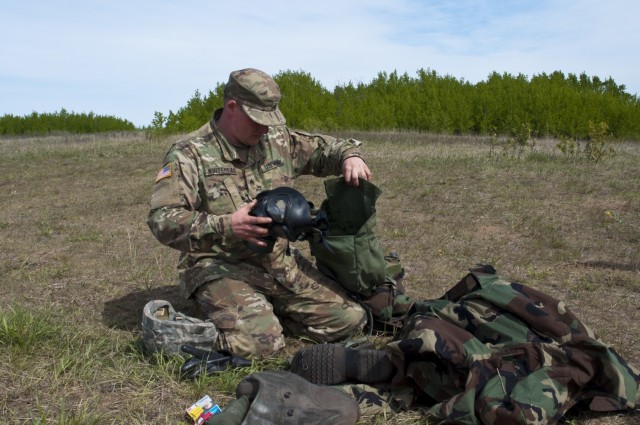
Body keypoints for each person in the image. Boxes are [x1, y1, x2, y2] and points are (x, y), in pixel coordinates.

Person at [147, 68, 372, 359]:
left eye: (269, 121)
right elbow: (162, 219)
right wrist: (227, 225)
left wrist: (350, 157)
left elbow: (326, 149)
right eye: (257, 121)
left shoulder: (276, 141)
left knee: (351, 319)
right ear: (232, 108)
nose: (264, 129)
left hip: (277, 263)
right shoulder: (189, 154)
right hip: (218, 264)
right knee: (262, 347)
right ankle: (181, 332)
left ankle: (267, 317)